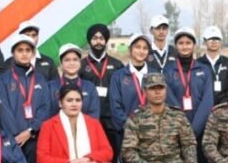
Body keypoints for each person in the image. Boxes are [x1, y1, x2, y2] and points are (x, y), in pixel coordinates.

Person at [0, 34, 52, 163]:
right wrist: (16, 134)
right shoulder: (5, 78)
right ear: (13, 53)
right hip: (13, 139)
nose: (24, 53)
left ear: (33, 53)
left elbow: (45, 108)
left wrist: (31, 131)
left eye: (28, 50)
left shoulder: (40, 78)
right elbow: (3, 109)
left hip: (35, 137)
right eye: (20, 50)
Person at [79, 23, 124, 151]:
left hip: (112, 120)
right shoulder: (81, 66)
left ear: (106, 40)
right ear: (89, 41)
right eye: (94, 38)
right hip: (90, 119)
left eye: (101, 38)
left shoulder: (117, 64)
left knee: (113, 153)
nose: (98, 42)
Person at [164, 27, 215, 140]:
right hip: (176, 130)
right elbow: (169, 100)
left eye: (188, 43)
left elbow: (207, 101)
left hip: (201, 129)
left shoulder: (204, 70)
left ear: (194, 45)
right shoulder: (168, 71)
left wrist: (195, 129)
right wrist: (183, 127)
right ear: (176, 45)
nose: (185, 46)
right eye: (181, 43)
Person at [109, 33, 152, 139]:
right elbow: (115, 107)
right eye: (137, 47)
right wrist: (131, 127)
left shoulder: (155, 74)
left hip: (152, 133)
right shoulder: (118, 76)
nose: (141, 51)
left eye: (145, 48)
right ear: (130, 49)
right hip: (127, 134)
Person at [48, 44, 100, 120]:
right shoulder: (50, 87)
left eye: (75, 59)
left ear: (80, 62)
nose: (72, 63)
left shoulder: (89, 87)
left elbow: (94, 115)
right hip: (56, 127)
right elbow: (46, 114)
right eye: (67, 60)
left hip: (84, 127)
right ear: (61, 63)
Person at [200, 25, 228, 106]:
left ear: (221, 41)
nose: (214, 41)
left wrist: (224, 104)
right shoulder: (197, 64)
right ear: (205, 41)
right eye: (210, 38)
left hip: (224, 108)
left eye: (217, 39)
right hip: (203, 107)